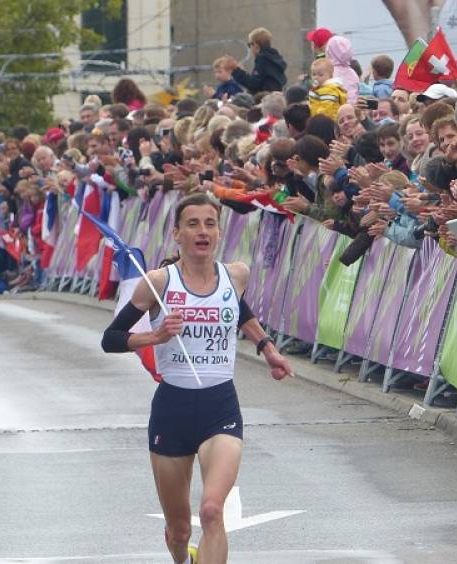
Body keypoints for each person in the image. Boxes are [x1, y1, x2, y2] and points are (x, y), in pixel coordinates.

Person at [100, 193, 290, 563]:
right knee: (180, 529)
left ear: (219, 232)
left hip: (220, 408)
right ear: (177, 233)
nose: (202, 231)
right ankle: (183, 557)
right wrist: (155, 337)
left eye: (210, 224)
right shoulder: (158, 283)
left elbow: (237, 310)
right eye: (193, 224)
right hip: (172, 411)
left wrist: (267, 348)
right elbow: (110, 339)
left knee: (212, 511)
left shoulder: (236, 275)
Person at [229, 28, 287, 95]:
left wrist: (236, 71)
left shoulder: (262, 59)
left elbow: (254, 84)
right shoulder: (274, 58)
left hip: (265, 97)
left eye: (249, 45)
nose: (250, 48)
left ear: (255, 44)